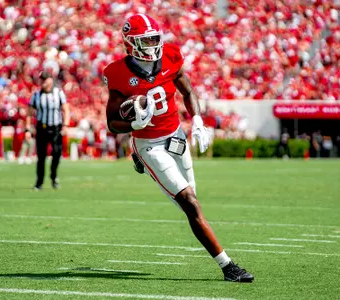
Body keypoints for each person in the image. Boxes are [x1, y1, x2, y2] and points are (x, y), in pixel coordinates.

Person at [103, 14, 253, 282]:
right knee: (190, 204)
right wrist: (134, 124)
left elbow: (187, 90)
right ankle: (228, 266)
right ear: (130, 43)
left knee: (194, 199)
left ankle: (137, 155)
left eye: (154, 38)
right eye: (145, 40)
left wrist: (197, 119)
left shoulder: (171, 56)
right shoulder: (118, 72)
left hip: (176, 136)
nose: (152, 44)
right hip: (149, 144)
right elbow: (112, 124)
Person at [26, 71, 70, 190]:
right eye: (42, 79)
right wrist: (28, 129)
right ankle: (39, 182)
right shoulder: (36, 95)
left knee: (56, 153)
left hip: (56, 128)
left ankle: (53, 176)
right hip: (41, 128)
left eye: (46, 79)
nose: (43, 81)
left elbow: (66, 109)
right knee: (41, 157)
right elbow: (29, 113)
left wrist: (65, 125)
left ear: (51, 80)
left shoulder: (58, 93)